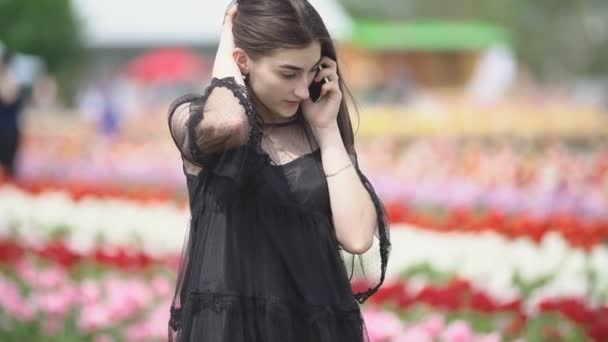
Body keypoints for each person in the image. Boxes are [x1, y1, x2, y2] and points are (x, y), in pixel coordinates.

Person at [166, 1, 391, 341]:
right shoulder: (194, 120)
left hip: (315, 327)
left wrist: (327, 130)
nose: (302, 90)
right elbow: (230, 122)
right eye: (288, 74)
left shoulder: (315, 131)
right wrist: (227, 43)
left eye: (311, 71)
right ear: (242, 61)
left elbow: (358, 237)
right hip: (232, 329)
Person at [0, 51, 27, 178]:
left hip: (7, 132)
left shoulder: (11, 80)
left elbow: (8, 98)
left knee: (9, 168)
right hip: (7, 130)